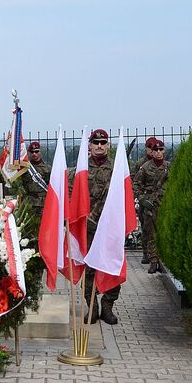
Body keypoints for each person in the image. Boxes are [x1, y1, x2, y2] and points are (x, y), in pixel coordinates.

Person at [84, 128, 120, 325]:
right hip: (88, 227)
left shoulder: (117, 168)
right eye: (95, 142)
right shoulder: (81, 168)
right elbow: (73, 195)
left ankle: (108, 306)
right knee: (89, 269)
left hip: (109, 226)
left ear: (108, 145)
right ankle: (92, 307)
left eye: (103, 142)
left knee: (111, 266)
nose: (99, 146)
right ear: (89, 146)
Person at [136, 138, 169, 274]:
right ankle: (153, 260)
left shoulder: (169, 166)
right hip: (150, 205)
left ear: (164, 151)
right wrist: (143, 199)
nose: (158, 152)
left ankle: (161, 261)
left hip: (165, 204)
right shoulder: (145, 167)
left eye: (161, 149)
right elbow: (136, 185)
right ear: (152, 151)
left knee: (163, 233)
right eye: (156, 150)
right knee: (151, 233)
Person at [132, 136, 157, 264]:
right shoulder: (140, 164)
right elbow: (134, 182)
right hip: (144, 201)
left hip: (157, 201)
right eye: (150, 148)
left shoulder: (162, 162)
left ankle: (156, 255)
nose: (153, 151)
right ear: (146, 148)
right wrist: (140, 197)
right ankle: (146, 254)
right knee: (145, 228)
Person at [21, 141, 51, 215]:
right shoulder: (25, 168)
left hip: (43, 203)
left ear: (40, 152)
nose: (34, 154)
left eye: (36, 151)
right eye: (32, 152)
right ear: (29, 153)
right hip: (30, 202)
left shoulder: (48, 168)